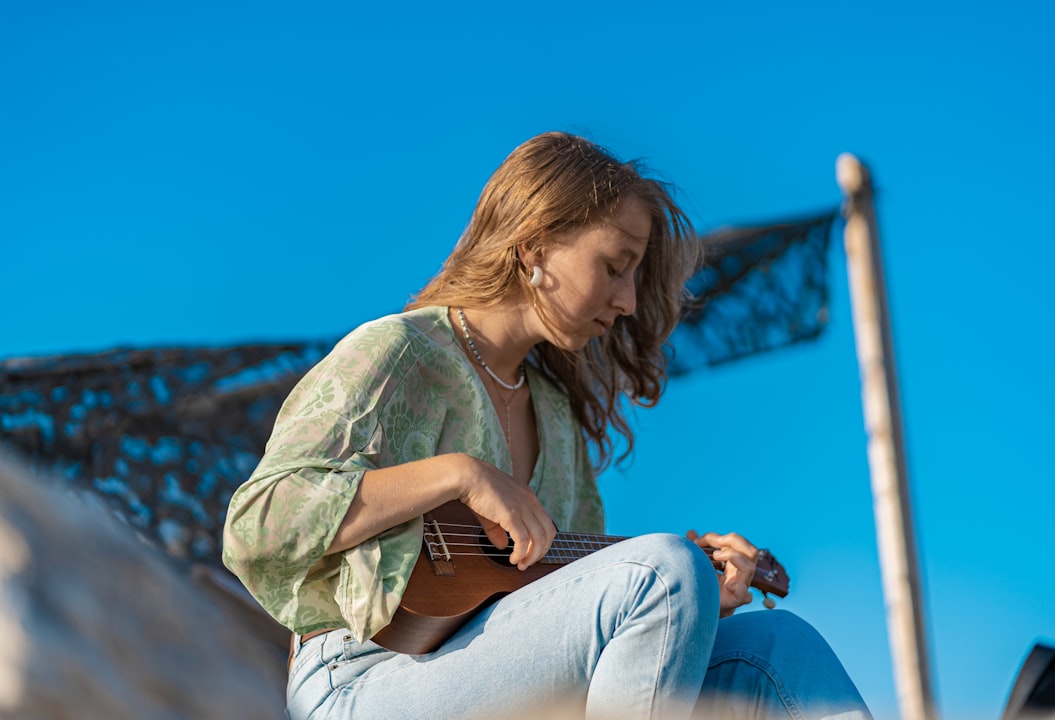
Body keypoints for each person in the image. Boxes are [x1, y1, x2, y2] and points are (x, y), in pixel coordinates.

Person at [222, 131, 873, 720]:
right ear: (533, 246)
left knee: (776, 645)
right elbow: (258, 524)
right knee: (661, 571)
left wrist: (698, 605)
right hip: (358, 681)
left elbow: (583, 605)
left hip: (483, 676)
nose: (626, 302)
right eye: (615, 267)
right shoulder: (401, 352)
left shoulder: (555, 421)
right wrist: (459, 475)